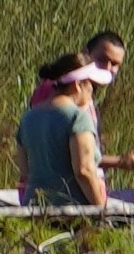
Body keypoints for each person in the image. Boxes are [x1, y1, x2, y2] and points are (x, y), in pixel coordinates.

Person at [26, 43, 117, 210]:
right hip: (71, 211)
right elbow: (84, 171)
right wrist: (101, 211)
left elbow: (25, 173)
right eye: (92, 85)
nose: (92, 92)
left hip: (34, 209)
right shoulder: (78, 118)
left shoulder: (29, 117)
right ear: (77, 85)